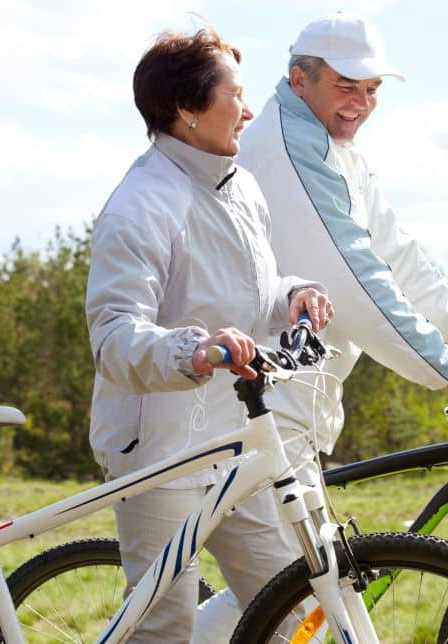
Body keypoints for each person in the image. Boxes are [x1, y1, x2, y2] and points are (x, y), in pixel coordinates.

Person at [192, 12, 448, 640]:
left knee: (290, 598)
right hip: (255, 405)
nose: (361, 103)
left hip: (289, 405)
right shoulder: (288, 150)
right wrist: (442, 367)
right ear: (299, 79)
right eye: (347, 86)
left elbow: (392, 246)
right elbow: (354, 273)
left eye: (373, 90)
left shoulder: (332, 147)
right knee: (309, 603)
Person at [85, 25, 333, 642]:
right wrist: (192, 349)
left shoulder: (240, 185)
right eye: (236, 96)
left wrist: (293, 295)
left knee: (296, 614)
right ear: (188, 110)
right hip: (160, 451)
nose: (249, 111)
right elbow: (113, 336)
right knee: (164, 628)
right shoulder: (141, 203)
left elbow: (254, 293)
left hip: (235, 444)